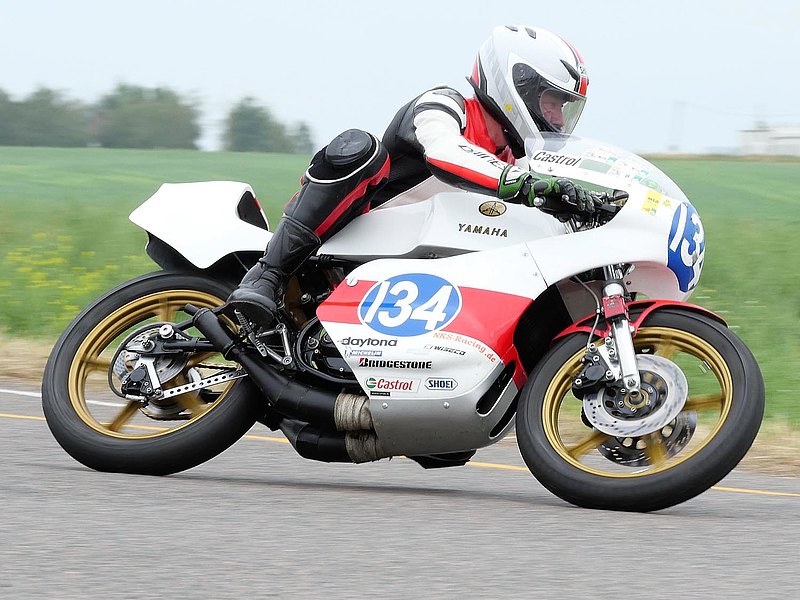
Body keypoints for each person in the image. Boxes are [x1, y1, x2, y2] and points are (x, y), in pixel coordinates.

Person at [228, 24, 598, 327]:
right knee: (360, 148)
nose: (558, 119)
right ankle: (267, 274)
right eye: (552, 103)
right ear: (518, 87)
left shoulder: (515, 162)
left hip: (412, 273)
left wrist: (584, 206)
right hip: (341, 242)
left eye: (563, 108)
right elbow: (445, 151)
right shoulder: (445, 105)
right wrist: (524, 185)